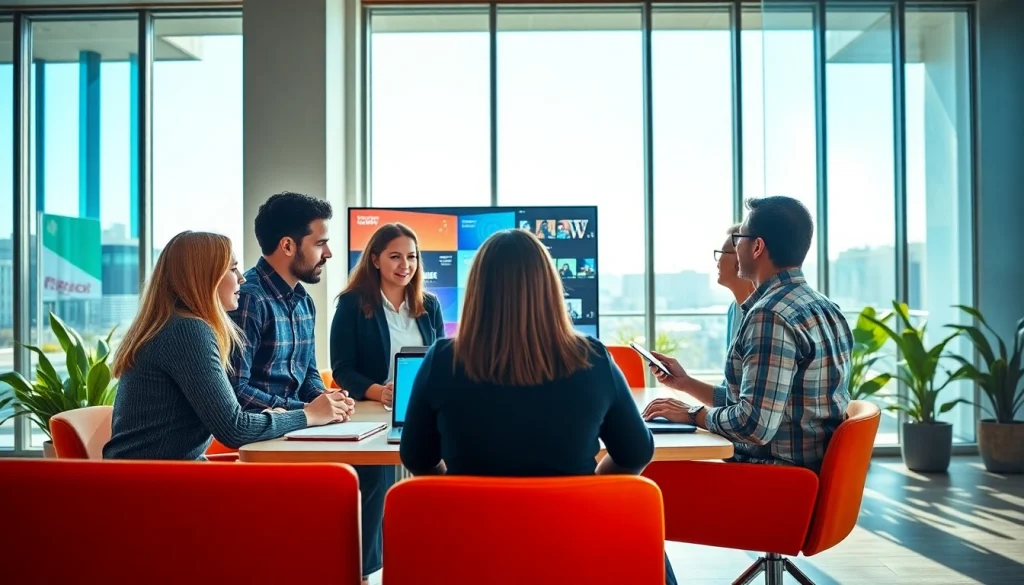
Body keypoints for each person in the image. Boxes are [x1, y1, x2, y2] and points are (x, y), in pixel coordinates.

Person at [400, 228, 677, 585]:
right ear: (550, 288)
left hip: (474, 550)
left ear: (479, 292)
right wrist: (586, 490)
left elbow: (416, 457)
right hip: (576, 545)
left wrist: (457, 494)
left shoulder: (442, 359)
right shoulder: (592, 357)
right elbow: (636, 451)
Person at [644, 196, 852, 473]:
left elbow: (754, 426)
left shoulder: (770, 315)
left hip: (771, 481)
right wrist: (685, 384)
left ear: (757, 247)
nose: (735, 245)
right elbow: (765, 403)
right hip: (801, 478)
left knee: (648, 474)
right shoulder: (825, 307)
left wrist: (692, 414)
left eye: (739, 238)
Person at [104, 231, 350, 461]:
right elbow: (234, 429)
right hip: (152, 487)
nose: (242, 278)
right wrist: (310, 415)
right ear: (204, 278)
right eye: (233, 269)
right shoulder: (187, 331)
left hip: (154, 477)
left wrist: (275, 417)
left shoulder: (177, 325)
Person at [330, 222, 446, 579]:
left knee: (432, 480)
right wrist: (378, 391)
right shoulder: (352, 304)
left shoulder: (428, 304)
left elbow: (441, 357)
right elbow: (342, 368)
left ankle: (427, 564)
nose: (405, 265)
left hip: (422, 408)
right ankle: (365, 571)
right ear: (376, 259)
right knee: (376, 483)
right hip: (372, 411)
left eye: (411, 257)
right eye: (395, 257)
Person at [717, 223, 757, 348]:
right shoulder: (733, 309)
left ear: (740, 259)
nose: (718, 261)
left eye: (723, 252)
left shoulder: (763, 314)